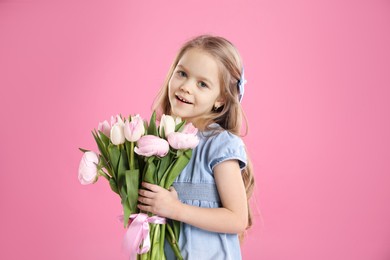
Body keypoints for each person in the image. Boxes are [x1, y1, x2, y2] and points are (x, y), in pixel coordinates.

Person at [137, 35, 255, 260]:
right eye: (182, 73)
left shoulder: (219, 145)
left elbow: (237, 219)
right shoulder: (160, 140)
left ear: (220, 99)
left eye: (202, 84)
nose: (186, 87)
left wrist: (176, 209)